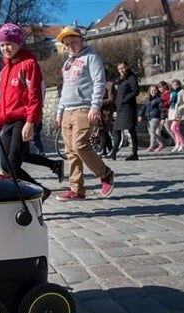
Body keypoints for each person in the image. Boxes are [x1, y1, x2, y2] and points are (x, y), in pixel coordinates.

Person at [0, 23, 52, 201]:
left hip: (22, 120)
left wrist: (31, 122)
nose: (5, 48)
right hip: (7, 121)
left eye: (9, 44)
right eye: (2, 45)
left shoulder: (29, 64)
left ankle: (31, 194)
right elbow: (0, 101)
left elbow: (35, 95)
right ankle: (40, 191)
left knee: (13, 163)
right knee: (4, 164)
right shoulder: (3, 71)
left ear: (19, 43)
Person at [54, 26, 115, 201]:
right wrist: (60, 112)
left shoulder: (91, 57)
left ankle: (105, 173)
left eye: (73, 42)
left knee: (80, 145)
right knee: (71, 151)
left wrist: (95, 106)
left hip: (84, 108)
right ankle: (77, 189)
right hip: (68, 110)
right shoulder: (67, 63)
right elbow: (65, 89)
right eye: (67, 44)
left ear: (82, 40)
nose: (70, 46)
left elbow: (99, 82)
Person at [110, 61, 140, 161]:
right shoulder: (121, 79)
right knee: (116, 130)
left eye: (123, 68)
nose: (121, 70)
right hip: (120, 108)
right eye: (119, 69)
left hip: (128, 108)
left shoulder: (131, 77)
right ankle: (113, 152)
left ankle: (134, 153)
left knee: (131, 130)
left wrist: (125, 99)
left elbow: (135, 91)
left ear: (127, 67)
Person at [137, 85, 166, 152]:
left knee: (152, 132)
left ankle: (151, 146)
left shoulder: (159, 99)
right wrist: (140, 115)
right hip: (149, 117)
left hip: (155, 117)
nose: (153, 91)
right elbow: (143, 108)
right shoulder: (147, 99)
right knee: (151, 132)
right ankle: (161, 144)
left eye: (154, 90)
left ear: (157, 91)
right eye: (151, 90)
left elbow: (162, 109)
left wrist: (163, 118)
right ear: (149, 91)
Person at [167, 79, 184, 152]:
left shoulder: (182, 92)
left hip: (179, 112)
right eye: (173, 85)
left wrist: (180, 108)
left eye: (176, 85)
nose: (175, 86)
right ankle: (178, 143)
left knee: (173, 128)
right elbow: (171, 101)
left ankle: (183, 142)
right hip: (173, 111)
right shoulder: (172, 92)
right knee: (176, 129)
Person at [99, 80, 116, 157]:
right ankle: (110, 149)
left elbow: (111, 99)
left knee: (103, 130)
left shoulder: (109, 85)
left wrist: (100, 102)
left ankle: (104, 150)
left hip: (106, 111)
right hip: (99, 111)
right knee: (102, 131)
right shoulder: (95, 83)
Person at [156, 81, 175, 148]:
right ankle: (161, 144)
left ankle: (177, 141)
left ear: (164, 86)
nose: (160, 89)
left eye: (161, 87)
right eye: (159, 88)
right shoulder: (161, 95)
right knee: (158, 130)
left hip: (167, 114)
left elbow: (169, 102)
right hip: (161, 114)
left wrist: (162, 103)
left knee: (169, 129)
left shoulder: (168, 93)